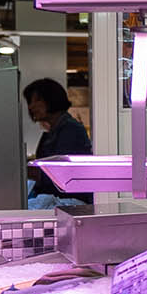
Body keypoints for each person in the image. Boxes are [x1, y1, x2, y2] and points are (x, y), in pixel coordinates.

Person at [23, 78, 92, 206]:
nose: (31, 106)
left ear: (51, 98)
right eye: (30, 101)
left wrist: (28, 171)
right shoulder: (54, 131)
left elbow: (64, 175)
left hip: (70, 204)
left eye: (37, 100)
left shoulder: (70, 130)